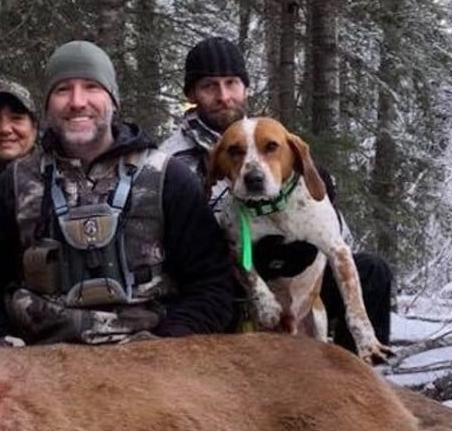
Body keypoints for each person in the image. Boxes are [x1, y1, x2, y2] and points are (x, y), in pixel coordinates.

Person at [0, 40, 235, 345]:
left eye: (91, 86)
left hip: (151, 363)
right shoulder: (15, 184)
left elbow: (213, 285)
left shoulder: (169, 178)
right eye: (62, 90)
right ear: (47, 106)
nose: (77, 101)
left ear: (113, 99)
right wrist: (2, 344)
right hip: (41, 367)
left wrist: (168, 345)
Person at [159, 36, 393, 352]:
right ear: (191, 94)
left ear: (246, 88)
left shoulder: (277, 138)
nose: (224, 96)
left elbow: (335, 239)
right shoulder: (170, 163)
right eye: (209, 86)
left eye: (232, 83)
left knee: (372, 271)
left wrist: (311, 235)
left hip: (300, 278)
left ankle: (365, 375)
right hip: (227, 281)